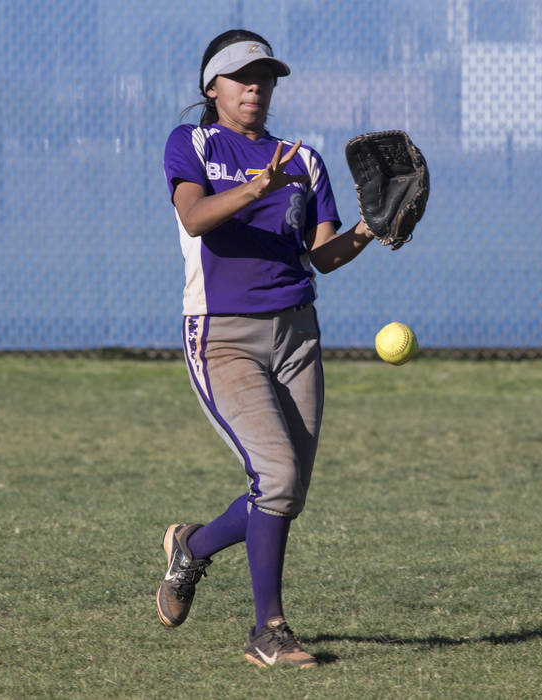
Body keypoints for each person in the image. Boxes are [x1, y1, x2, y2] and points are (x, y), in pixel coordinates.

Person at [157, 29, 375, 668]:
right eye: (242, 76)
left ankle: (192, 548)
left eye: (266, 77)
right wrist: (256, 186)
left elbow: (322, 253)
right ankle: (268, 630)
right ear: (212, 87)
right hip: (223, 336)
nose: (256, 87)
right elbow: (194, 218)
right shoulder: (193, 142)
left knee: (286, 491)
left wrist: (368, 230)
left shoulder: (302, 159)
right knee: (275, 479)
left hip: (297, 334)